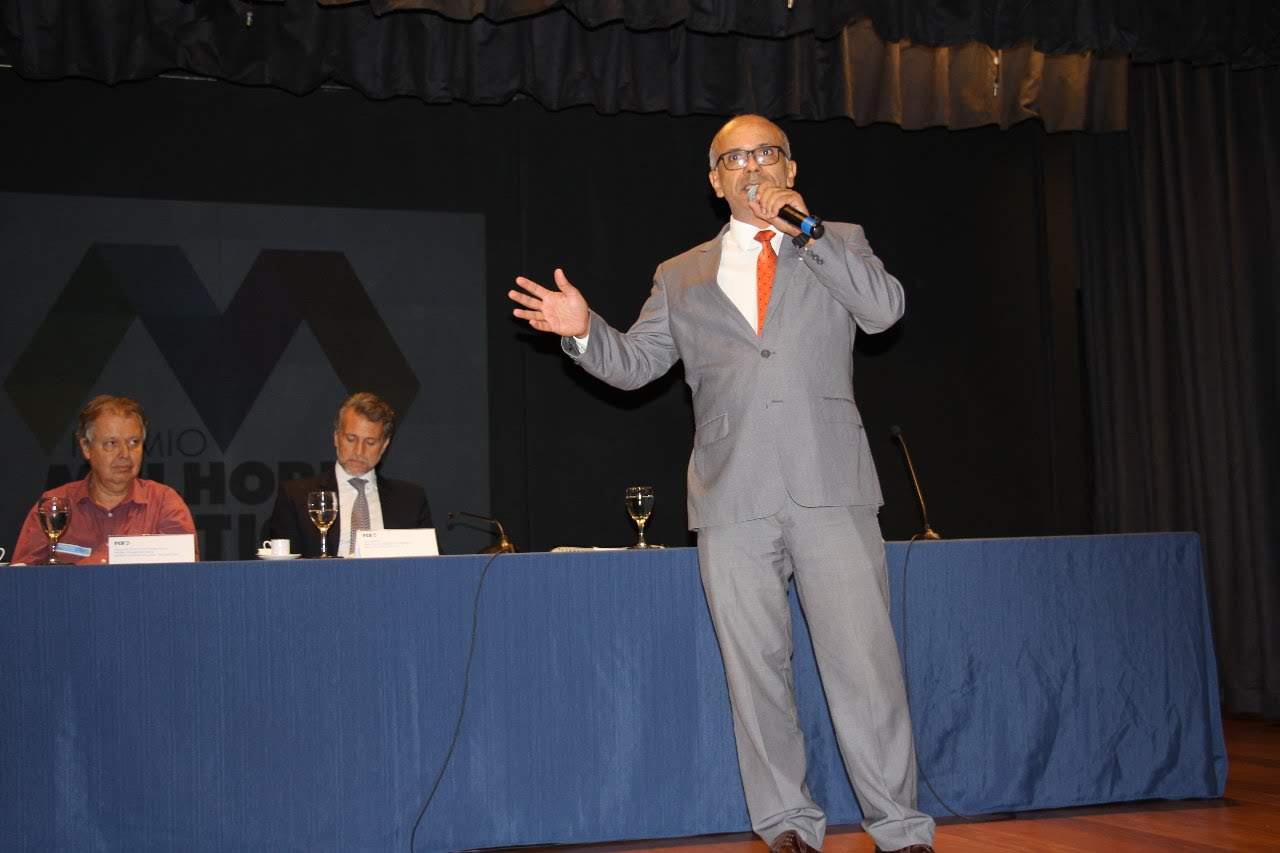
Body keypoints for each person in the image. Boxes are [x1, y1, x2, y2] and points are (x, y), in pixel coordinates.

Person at [509, 115, 937, 853]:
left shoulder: (838, 239)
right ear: (715, 181)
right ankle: (787, 823)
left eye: (766, 153)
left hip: (831, 484)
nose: (752, 166)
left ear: (790, 168)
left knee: (864, 664)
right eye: (734, 158)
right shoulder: (680, 274)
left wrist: (808, 231)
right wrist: (582, 331)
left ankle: (900, 828)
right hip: (731, 495)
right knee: (755, 672)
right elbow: (636, 364)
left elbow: (883, 311)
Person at [11, 395, 197, 565]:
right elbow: (20, 581)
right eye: (111, 443)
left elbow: (186, 579)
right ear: (86, 448)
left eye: (134, 442)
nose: (125, 454)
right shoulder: (54, 506)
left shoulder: (164, 504)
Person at [262, 392, 432, 557]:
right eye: (351, 439)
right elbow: (281, 566)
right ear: (336, 437)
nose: (359, 451)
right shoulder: (296, 497)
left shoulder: (410, 500)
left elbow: (433, 563)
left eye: (370, 442)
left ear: (384, 445)